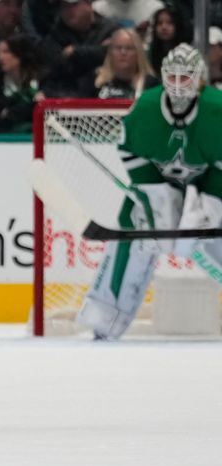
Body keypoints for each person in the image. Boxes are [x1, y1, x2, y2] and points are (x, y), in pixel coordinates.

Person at [76, 43, 222, 340]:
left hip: (208, 184)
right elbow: (132, 156)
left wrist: (207, 205)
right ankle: (105, 320)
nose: (179, 86)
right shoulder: (144, 109)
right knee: (135, 231)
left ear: (199, 80)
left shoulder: (217, 110)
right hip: (159, 184)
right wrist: (157, 201)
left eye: (186, 78)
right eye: (174, 77)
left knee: (213, 238)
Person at [39, 0, 118, 97]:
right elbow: (56, 68)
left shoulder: (109, 29)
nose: (68, 11)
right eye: (64, 6)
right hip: (67, 96)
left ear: (89, 4)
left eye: (73, 5)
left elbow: (113, 55)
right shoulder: (55, 35)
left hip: (104, 94)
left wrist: (75, 52)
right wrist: (96, 52)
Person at [0, 33, 41, 133]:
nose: (0, 57)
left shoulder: (41, 79)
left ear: (19, 53)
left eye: (6, 52)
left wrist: (11, 112)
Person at [93, 27, 158, 99]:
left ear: (138, 53)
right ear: (110, 53)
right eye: (118, 48)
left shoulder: (151, 84)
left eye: (129, 48)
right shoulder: (96, 82)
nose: (123, 52)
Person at [147, 5, 190, 79]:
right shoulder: (150, 52)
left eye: (170, 23)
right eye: (160, 23)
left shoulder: (187, 53)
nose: (164, 27)